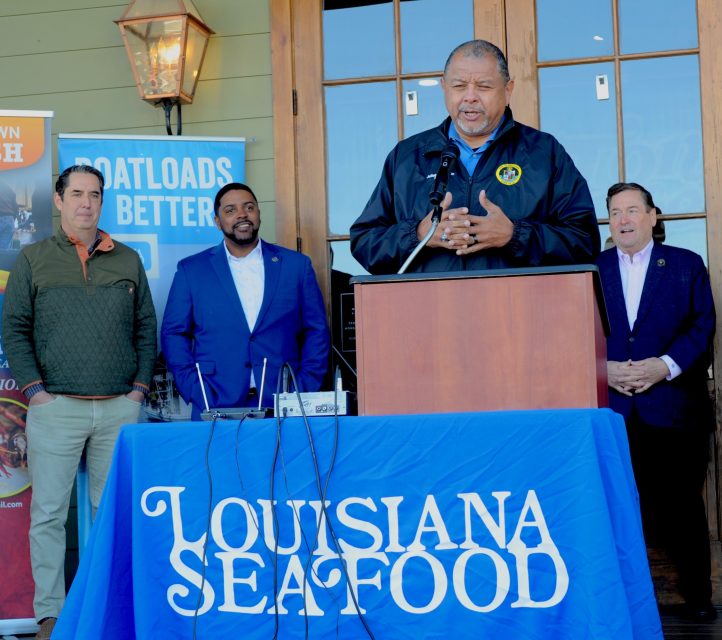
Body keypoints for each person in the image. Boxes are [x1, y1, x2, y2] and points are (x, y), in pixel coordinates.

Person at [2, 164, 157, 639]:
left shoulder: (128, 259)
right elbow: (15, 329)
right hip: (56, 408)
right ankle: (51, 617)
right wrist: (36, 392)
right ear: (60, 200)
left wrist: (138, 389)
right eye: (77, 194)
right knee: (49, 515)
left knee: (111, 517)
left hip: (118, 408)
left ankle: (106, 612)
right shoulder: (34, 259)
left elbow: (146, 328)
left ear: (101, 201)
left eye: (94, 194)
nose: (86, 203)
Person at [350, 39, 600, 274]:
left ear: (508, 90)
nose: (470, 96)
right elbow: (364, 243)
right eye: (459, 86)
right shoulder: (407, 157)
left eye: (484, 86)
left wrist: (515, 236)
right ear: (444, 88)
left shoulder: (543, 153)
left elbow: (584, 242)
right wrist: (419, 234)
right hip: (431, 304)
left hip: (517, 305)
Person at [597, 182, 716, 622]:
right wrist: (603, 370)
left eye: (632, 210)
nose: (623, 220)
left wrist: (662, 367)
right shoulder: (593, 268)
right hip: (612, 409)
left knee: (683, 506)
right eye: (615, 213)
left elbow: (702, 327)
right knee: (613, 507)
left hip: (672, 408)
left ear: (653, 216)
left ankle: (698, 598)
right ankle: (618, 601)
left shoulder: (686, 265)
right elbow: (573, 330)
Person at [161, 182, 330, 418]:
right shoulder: (192, 270)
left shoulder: (296, 266)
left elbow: (316, 331)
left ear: (258, 214)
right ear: (218, 221)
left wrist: (303, 388)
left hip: (283, 403)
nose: (242, 214)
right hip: (213, 402)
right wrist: (193, 388)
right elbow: (173, 333)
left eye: (249, 207)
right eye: (230, 210)